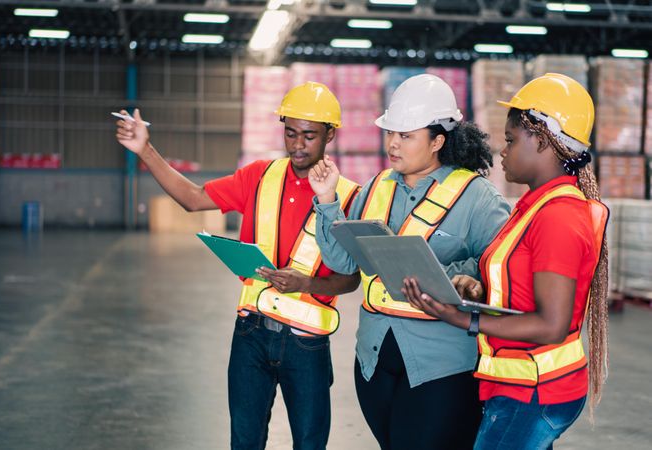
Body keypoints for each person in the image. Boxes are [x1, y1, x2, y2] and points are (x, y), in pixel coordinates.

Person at [115, 81, 361, 450]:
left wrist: (305, 285)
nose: (297, 144)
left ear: (330, 135)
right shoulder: (259, 176)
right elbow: (193, 199)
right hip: (251, 334)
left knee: (310, 444)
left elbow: (351, 279)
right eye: (290, 133)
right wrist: (145, 150)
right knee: (244, 442)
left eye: (309, 136)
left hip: (306, 345)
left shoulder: (352, 196)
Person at [403, 73, 609, 450]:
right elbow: (519, 285)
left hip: (534, 391)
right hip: (518, 386)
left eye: (511, 140)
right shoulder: (533, 207)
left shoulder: (558, 216)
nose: (502, 151)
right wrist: (476, 288)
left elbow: (551, 325)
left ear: (543, 141)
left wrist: (463, 318)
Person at [308, 74, 511, 450]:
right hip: (373, 361)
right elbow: (343, 262)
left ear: (437, 141)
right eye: (391, 133)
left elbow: (499, 270)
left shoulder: (477, 198)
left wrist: (459, 276)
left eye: (405, 135)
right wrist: (326, 201)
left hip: (441, 370)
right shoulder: (376, 186)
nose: (393, 144)